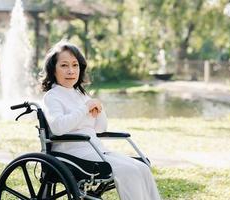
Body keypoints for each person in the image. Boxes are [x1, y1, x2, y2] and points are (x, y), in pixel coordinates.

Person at [41, 40, 161, 200]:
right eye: (64, 65)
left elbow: (99, 129)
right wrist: (85, 108)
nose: (71, 71)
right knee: (129, 171)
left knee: (142, 167)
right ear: (53, 69)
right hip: (71, 154)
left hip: (96, 149)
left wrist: (99, 110)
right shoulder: (52, 96)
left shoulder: (80, 95)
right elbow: (58, 127)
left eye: (75, 65)